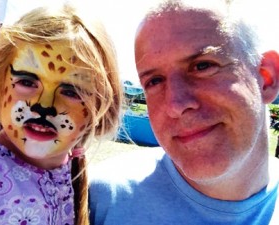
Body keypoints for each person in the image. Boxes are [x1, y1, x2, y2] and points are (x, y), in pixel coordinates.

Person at [88, 0, 279, 224]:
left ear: (267, 79)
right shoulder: (99, 201)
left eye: (202, 66)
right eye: (155, 81)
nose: (176, 105)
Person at [0, 3, 122, 225]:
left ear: (102, 105)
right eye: (27, 82)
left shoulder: (74, 180)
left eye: (71, 91)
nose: (44, 106)